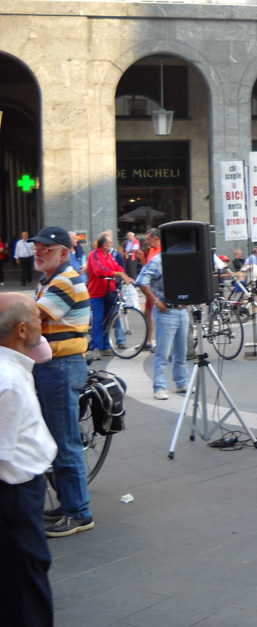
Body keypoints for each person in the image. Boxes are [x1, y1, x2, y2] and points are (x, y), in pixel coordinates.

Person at [29, 226, 95, 537]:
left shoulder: (65, 280)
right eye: (37, 247)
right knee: (57, 439)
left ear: (64, 253)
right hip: (53, 366)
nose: (38, 252)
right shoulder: (50, 280)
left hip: (61, 366)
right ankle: (69, 502)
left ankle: (79, 513)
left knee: (65, 441)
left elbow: (32, 321)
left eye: (46, 248)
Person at [0, 294, 58, 624]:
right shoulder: (7, 380)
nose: (43, 324)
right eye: (37, 318)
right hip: (16, 496)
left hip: (20, 493)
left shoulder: (13, 368)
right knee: (25, 591)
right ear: (21, 330)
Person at [135, 251, 190, 401]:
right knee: (163, 353)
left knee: (181, 352)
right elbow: (140, 281)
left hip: (181, 310)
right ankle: (159, 386)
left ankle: (181, 383)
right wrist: (155, 301)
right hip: (166, 311)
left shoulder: (180, 259)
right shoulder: (157, 260)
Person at [86, 233, 133, 356]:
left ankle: (105, 345)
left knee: (108, 319)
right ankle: (96, 346)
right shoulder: (94, 255)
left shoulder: (109, 256)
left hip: (109, 291)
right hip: (97, 292)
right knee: (98, 319)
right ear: (105, 245)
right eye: (110, 242)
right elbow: (99, 271)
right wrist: (119, 274)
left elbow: (117, 267)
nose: (112, 244)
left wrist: (124, 275)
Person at [143, 228, 162, 351]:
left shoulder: (160, 251)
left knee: (157, 315)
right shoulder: (151, 250)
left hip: (156, 291)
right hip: (150, 289)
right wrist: (141, 259)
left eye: (148, 239)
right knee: (148, 313)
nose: (146, 242)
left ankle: (158, 343)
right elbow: (148, 268)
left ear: (156, 239)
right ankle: (148, 340)